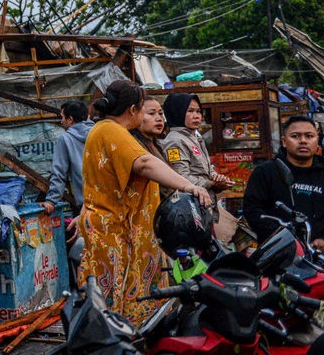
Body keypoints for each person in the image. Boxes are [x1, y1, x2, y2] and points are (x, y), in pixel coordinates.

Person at [79, 79, 213, 326]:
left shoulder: (105, 130)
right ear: (133, 110)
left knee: (126, 293)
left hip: (118, 227)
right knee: (113, 298)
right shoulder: (111, 130)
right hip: (113, 229)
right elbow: (143, 163)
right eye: (144, 109)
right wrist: (188, 185)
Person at [243, 115, 324, 254]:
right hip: (276, 254)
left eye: (309, 136)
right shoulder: (265, 172)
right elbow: (252, 210)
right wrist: (282, 238)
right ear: (284, 141)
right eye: (295, 136)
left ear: (317, 140)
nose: (303, 141)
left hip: (317, 257)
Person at [161, 93, 234, 205]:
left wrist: (216, 177)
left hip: (204, 202)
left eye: (198, 111)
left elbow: (206, 170)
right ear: (177, 112)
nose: (196, 116)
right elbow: (180, 177)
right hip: (189, 204)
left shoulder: (195, 138)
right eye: (190, 111)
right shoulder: (175, 142)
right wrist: (211, 184)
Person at [42, 100, 93, 217]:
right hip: (109, 200)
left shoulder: (66, 139)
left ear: (70, 119)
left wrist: (51, 201)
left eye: (62, 117)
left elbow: (59, 173)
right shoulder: (100, 132)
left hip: (86, 204)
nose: (61, 121)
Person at [130, 97, 167, 162]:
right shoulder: (133, 146)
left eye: (161, 113)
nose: (159, 118)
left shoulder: (157, 145)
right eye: (151, 113)